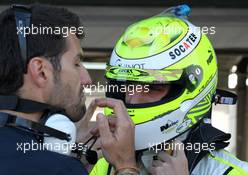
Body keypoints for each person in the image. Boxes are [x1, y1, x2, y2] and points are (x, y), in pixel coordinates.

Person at [91, 4, 248, 175]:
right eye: (128, 85)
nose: (133, 99)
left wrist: (125, 167)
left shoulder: (231, 172)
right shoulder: (104, 166)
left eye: (151, 87)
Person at [0, 4, 138, 175]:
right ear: (41, 71)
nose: (87, 80)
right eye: (76, 63)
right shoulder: (58, 168)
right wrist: (126, 165)